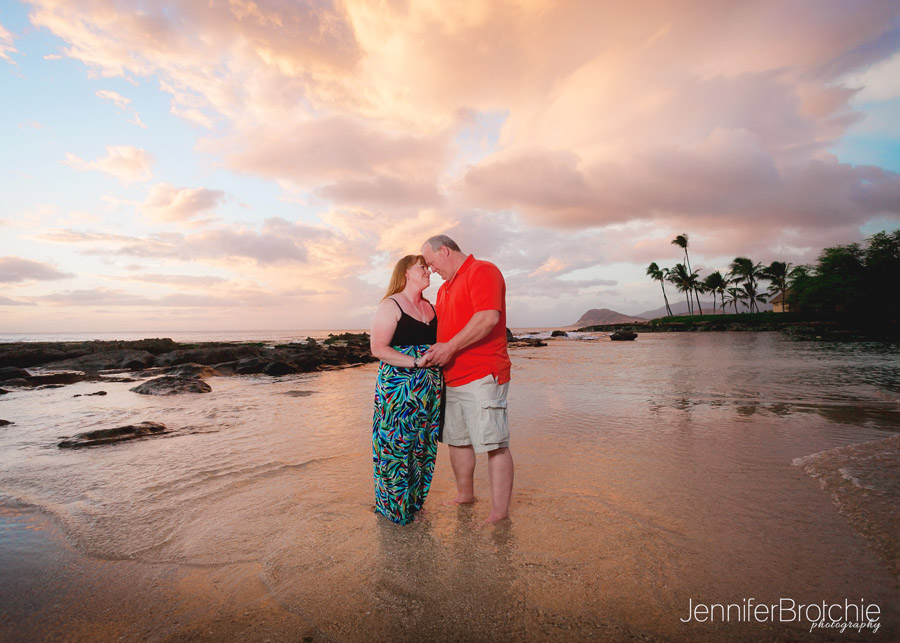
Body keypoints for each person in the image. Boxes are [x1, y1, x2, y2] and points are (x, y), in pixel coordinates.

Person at [420, 235, 514, 523]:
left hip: (483, 373)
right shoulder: (444, 289)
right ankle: (465, 495)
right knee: (457, 440)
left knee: (493, 443)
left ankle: (499, 513)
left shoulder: (483, 271)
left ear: (445, 251)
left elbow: (488, 318)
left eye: (431, 263)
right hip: (452, 376)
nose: (431, 270)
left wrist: (450, 348)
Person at [369, 254, 443, 525]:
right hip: (398, 389)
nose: (428, 272)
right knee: (395, 447)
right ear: (405, 274)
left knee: (423, 446)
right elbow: (378, 349)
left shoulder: (431, 308)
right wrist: (415, 362)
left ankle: (414, 504)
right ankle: (393, 510)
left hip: (429, 390)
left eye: (427, 268)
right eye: (422, 268)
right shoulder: (391, 305)